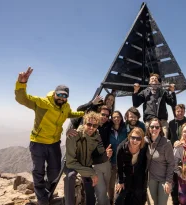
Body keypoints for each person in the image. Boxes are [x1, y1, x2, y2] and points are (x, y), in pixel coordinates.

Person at [15, 67, 84, 205]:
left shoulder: (65, 106)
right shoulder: (43, 103)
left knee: (55, 172)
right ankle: (42, 199)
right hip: (38, 142)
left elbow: (70, 114)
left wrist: (85, 114)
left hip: (54, 144)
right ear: (55, 94)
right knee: (38, 171)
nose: (62, 98)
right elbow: (22, 99)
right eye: (60, 95)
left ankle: (44, 189)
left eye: (65, 96)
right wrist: (22, 83)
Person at [64, 112, 113, 205]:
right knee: (70, 177)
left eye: (94, 125)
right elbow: (70, 162)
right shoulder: (74, 135)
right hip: (72, 164)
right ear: (84, 123)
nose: (91, 128)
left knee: (90, 193)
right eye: (89, 124)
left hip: (86, 165)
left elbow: (99, 155)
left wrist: (106, 155)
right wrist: (91, 173)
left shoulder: (96, 136)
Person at [145, 118, 174, 205]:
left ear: (160, 129)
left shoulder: (166, 143)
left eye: (157, 127)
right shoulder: (145, 140)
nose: (154, 129)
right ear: (149, 128)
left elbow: (171, 163)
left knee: (161, 203)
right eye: (152, 127)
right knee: (155, 202)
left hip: (164, 179)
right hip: (152, 179)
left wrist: (168, 182)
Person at [115, 127, 148, 205]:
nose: (135, 141)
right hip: (125, 175)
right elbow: (119, 166)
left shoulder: (144, 147)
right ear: (129, 137)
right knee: (118, 199)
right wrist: (120, 181)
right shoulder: (121, 148)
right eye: (133, 138)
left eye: (138, 138)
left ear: (142, 139)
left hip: (138, 176)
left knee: (137, 199)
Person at [167, 104, 186, 205]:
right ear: (174, 112)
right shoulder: (171, 123)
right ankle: (175, 201)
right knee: (174, 179)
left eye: (181, 111)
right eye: (178, 111)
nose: (180, 113)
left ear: (184, 112)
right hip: (174, 155)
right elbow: (168, 137)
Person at [93, 105, 113, 205]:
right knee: (100, 191)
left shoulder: (108, 125)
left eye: (107, 115)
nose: (105, 117)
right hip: (95, 163)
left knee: (104, 189)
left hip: (107, 162)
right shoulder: (91, 126)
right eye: (103, 114)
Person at [108, 111, 128, 204]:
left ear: (121, 118)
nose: (116, 119)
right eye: (114, 117)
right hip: (112, 161)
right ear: (111, 119)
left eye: (118, 117)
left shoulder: (125, 129)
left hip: (123, 161)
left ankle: (119, 200)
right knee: (111, 184)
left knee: (121, 183)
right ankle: (111, 200)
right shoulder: (109, 129)